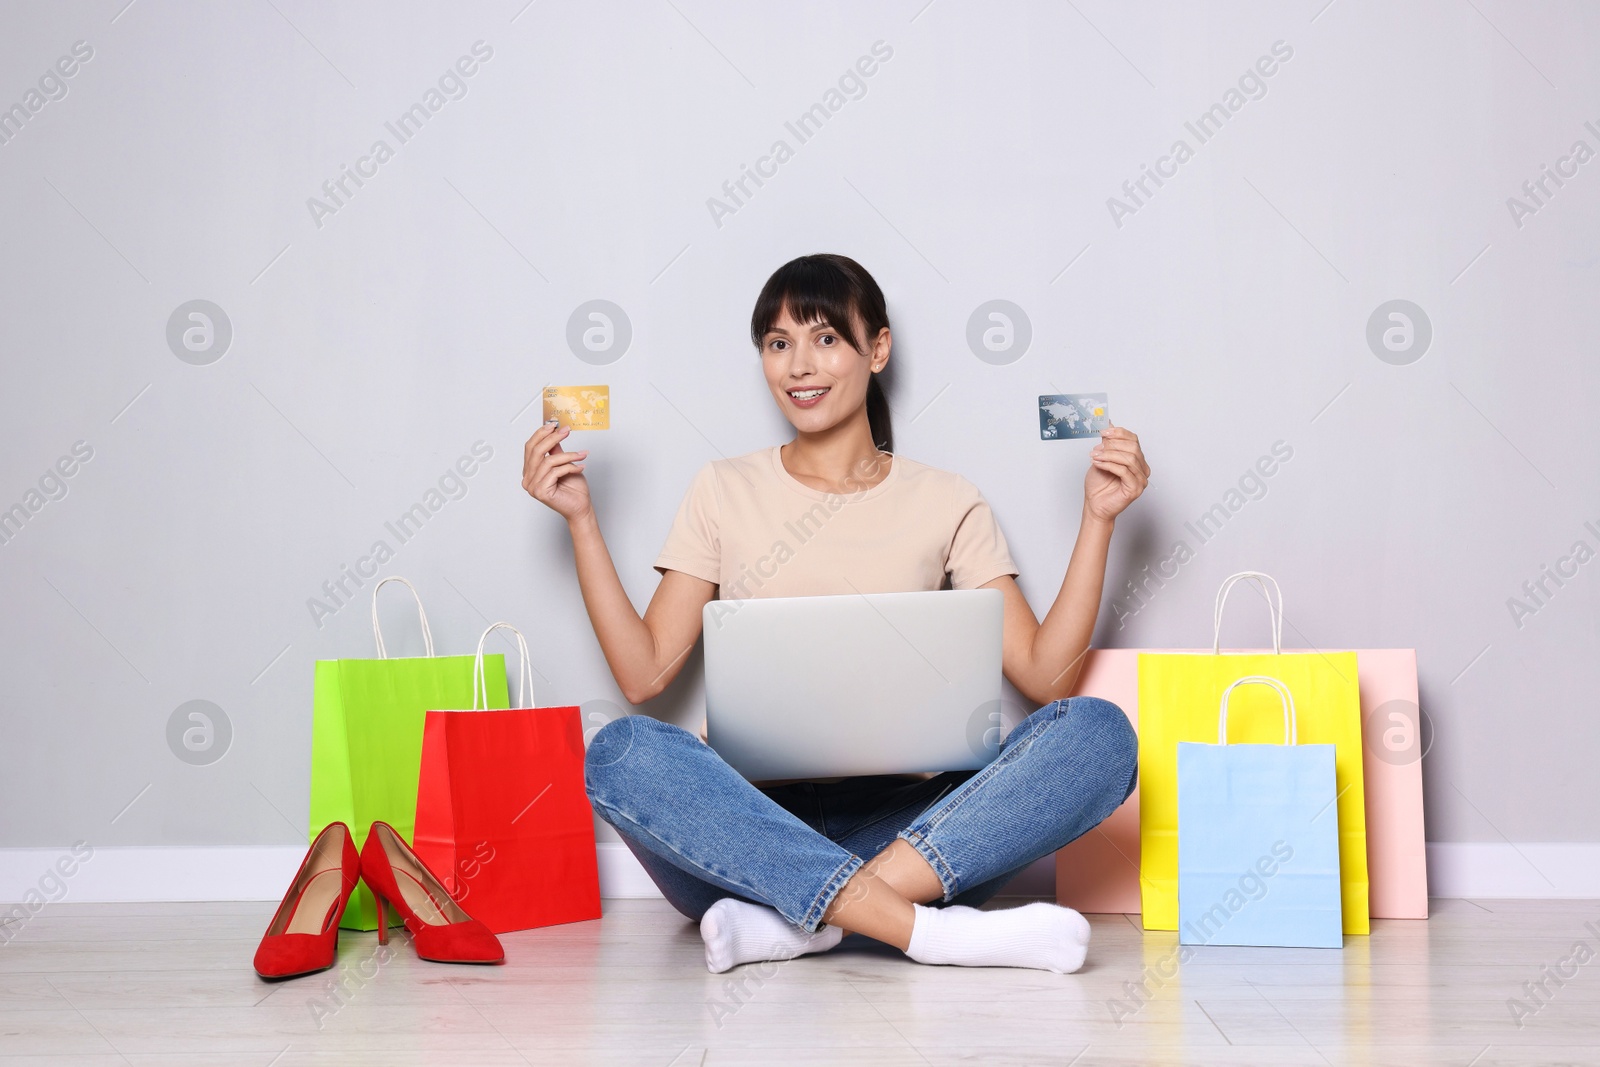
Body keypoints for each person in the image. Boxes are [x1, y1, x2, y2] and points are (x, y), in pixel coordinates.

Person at [522, 253, 1150, 974]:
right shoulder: (722, 488)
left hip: (916, 829)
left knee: (1098, 734)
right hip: (745, 828)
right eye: (778, 342)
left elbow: (1047, 677)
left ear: (876, 349)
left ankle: (802, 919)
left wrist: (1099, 520)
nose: (798, 365)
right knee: (621, 752)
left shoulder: (947, 499)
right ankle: (926, 932)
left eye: (824, 337)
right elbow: (642, 674)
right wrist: (580, 521)